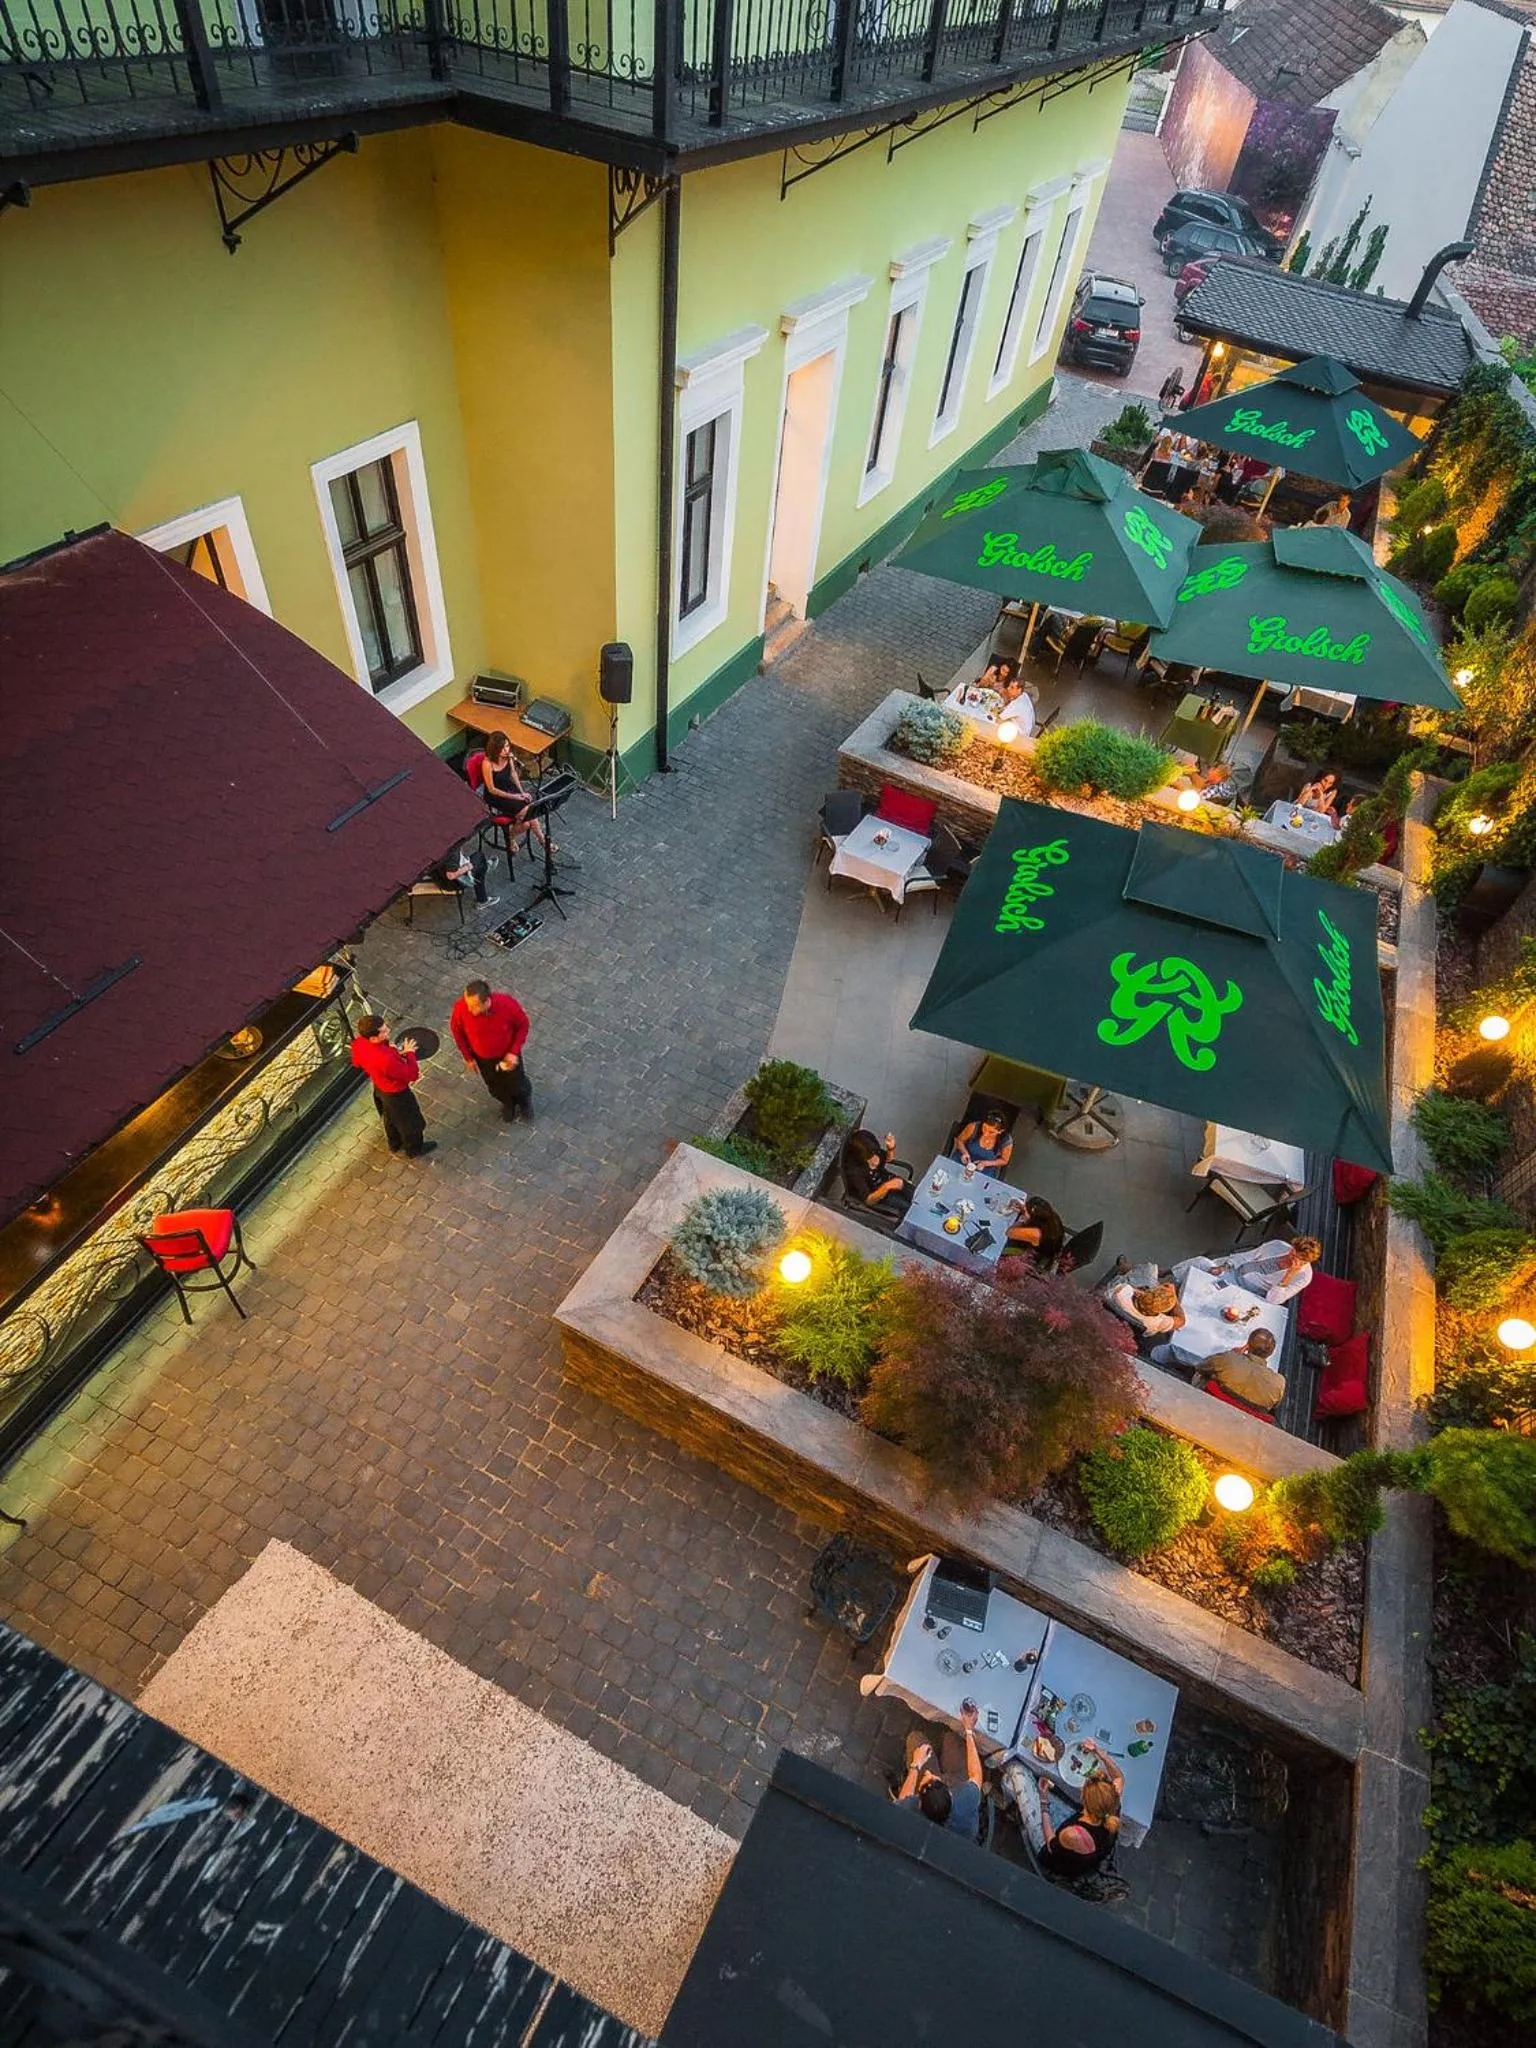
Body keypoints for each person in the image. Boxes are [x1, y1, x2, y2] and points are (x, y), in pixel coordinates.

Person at [1003, 1742, 1122, 1879]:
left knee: (1016, 1770)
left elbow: (1050, 1842)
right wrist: (1100, 1753)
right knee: (1014, 1783)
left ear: (1086, 1802)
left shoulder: (1074, 1835)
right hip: (1072, 1830)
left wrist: (1043, 1801)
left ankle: (1001, 1767)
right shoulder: (1112, 1803)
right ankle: (1008, 1788)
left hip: (1050, 1851)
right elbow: (1119, 1777)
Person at [350, 1015, 435, 1159]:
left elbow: (357, 1063)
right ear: (373, 1038)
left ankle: (395, 1143)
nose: (388, 1031)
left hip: (380, 1088)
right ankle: (414, 1149)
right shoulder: (385, 1059)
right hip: (397, 1093)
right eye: (383, 1031)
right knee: (411, 1123)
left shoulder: (359, 1044)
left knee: (390, 1118)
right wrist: (409, 1053)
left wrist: (389, 1049)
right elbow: (411, 1074)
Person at [449, 978, 532, 1123]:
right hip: (483, 1059)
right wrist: (468, 1057)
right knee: (495, 1085)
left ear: (487, 1002)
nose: (470, 1010)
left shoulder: (507, 1005)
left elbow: (523, 1025)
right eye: (468, 1004)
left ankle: (524, 1103)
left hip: (508, 1054)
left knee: (517, 1083)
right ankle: (508, 1103)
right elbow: (457, 1033)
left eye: (474, 1006)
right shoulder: (461, 1009)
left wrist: (513, 1051)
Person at [897, 1703, 984, 1840]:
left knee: (915, 1738)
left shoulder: (911, 1812)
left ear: (918, 1802)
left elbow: (902, 1801)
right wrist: (969, 1730)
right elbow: (976, 1775)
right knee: (952, 1739)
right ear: (950, 1793)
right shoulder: (965, 1799)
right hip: (961, 1833)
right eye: (933, 1778)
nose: (929, 1774)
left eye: (928, 1779)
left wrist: (916, 1765)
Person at [1175, 1235, 1321, 1307]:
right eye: (1292, 1252)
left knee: (1209, 1296)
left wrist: (1289, 1275)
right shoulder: (1278, 1245)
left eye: (1296, 1257)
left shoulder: (1303, 1277)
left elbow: (1273, 1301)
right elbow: (1248, 1256)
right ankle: (1170, 1276)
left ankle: (1178, 1302)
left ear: (1305, 1261)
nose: (1291, 1256)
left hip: (1246, 1292)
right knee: (1201, 1262)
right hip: (1234, 1271)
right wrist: (1225, 1266)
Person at [477, 731, 549, 853]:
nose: (506, 750)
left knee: (527, 819)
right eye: (502, 748)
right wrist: (516, 797)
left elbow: (513, 774)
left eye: (507, 746)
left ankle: (514, 836)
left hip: (508, 787)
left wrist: (522, 792)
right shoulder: (487, 764)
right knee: (528, 812)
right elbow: (492, 789)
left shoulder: (508, 757)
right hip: (495, 796)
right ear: (495, 749)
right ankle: (542, 841)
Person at [1193, 1328, 1285, 1411]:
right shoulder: (1278, 1383)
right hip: (1245, 1423)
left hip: (1210, 1407)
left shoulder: (1229, 1359)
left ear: (1247, 1345)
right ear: (1271, 1353)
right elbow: (1274, 1406)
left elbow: (1201, 1366)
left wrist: (1231, 1355)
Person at [841, 1128, 913, 1219]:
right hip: (878, 1193)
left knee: (917, 1195)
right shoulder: (855, 1172)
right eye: (869, 1159)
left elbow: (887, 1159)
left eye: (875, 1154)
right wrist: (887, 1187)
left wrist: (890, 1149)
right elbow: (869, 1200)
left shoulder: (872, 1150)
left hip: (890, 1180)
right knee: (910, 1209)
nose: (875, 1161)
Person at [1103, 1264, 1186, 1341]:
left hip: (1111, 1306)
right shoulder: (1156, 1323)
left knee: (1148, 1269)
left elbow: (1134, 1290)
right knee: (1150, 1272)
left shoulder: (1122, 1292)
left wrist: (1157, 1293)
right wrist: (1174, 1296)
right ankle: (1126, 1268)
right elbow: (1181, 1321)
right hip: (1132, 1330)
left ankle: (1125, 1268)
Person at [1001, 1195, 1065, 1270]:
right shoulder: (1051, 1218)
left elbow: (1009, 1232)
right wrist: (1022, 1207)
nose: (1024, 1213)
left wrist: (1021, 1221)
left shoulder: (1035, 1233)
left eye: (1026, 1212)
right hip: (1049, 1245)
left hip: (1033, 1252)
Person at [953, 1111, 1013, 1178]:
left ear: (1000, 1131)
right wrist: (964, 1152)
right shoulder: (974, 1126)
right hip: (963, 1161)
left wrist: (986, 1163)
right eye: (984, 1128)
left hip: (986, 1169)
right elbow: (959, 1140)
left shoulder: (1005, 1140)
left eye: (991, 1132)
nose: (985, 1134)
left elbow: (1004, 1160)